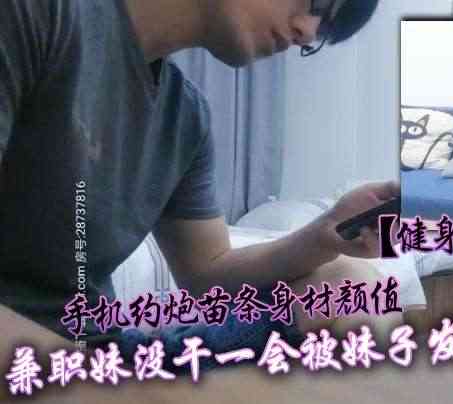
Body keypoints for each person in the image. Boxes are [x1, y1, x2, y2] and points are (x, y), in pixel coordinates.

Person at [0, 0, 399, 385]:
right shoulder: (39, 16)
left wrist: (326, 232)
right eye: (317, 4)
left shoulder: (184, 116)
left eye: (323, 29)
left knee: (355, 288)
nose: (307, 31)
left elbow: (207, 273)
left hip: (102, 352)